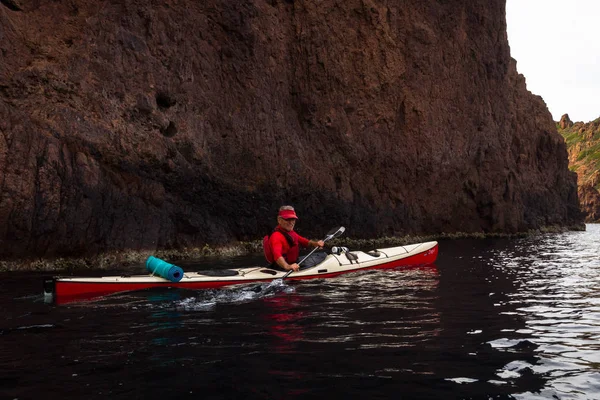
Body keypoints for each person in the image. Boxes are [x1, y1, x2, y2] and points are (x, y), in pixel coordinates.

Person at [264, 206, 325, 272]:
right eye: (287, 219)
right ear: (279, 220)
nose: (291, 222)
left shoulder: (289, 232)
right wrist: (287, 266)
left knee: (323, 255)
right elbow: (277, 255)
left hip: (293, 262)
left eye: (293, 219)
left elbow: (304, 241)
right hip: (282, 267)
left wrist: (315, 244)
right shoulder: (276, 236)